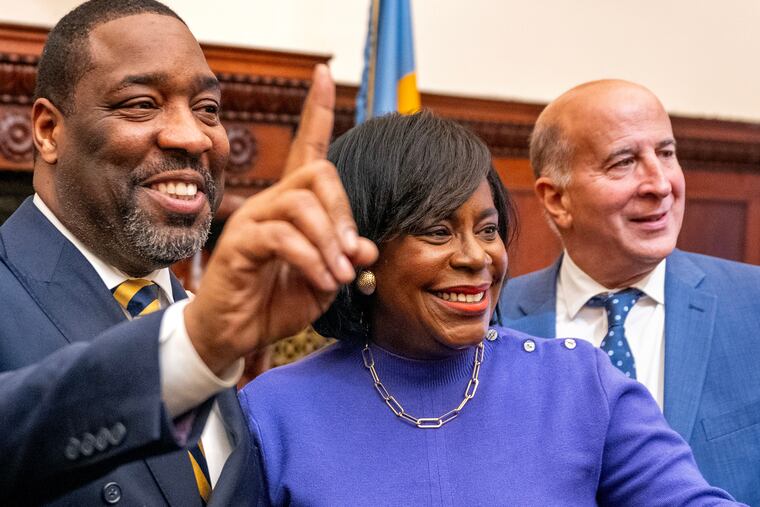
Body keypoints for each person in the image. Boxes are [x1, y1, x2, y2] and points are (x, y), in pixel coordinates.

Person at [238, 111, 740, 505]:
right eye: (437, 232)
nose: (477, 257)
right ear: (361, 249)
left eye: (488, 229)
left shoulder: (579, 385)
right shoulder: (275, 412)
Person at [0, 0, 376, 504]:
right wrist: (195, 346)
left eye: (208, 110)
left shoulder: (208, 320)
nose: (193, 136)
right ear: (49, 130)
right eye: (141, 104)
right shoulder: (200, 335)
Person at [500, 79, 760, 504]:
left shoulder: (753, 306)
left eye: (666, 153)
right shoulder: (497, 319)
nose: (660, 184)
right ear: (556, 200)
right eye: (623, 162)